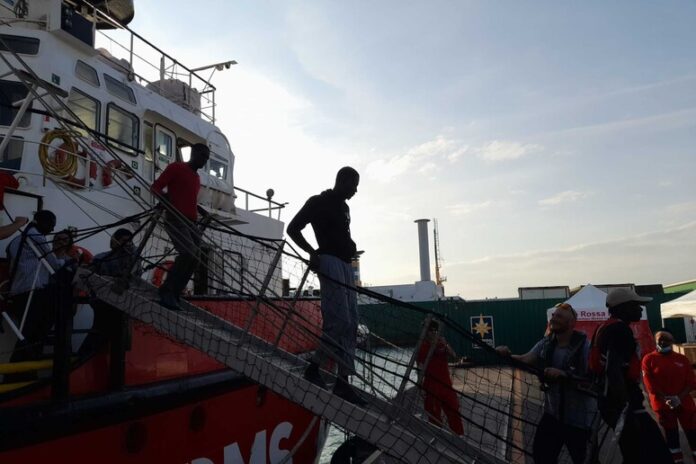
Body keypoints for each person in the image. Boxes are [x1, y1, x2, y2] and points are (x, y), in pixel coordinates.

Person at [287, 166, 363, 405]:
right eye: (353, 185)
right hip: (329, 261)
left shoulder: (345, 208)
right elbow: (293, 229)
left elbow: (341, 234)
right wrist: (312, 253)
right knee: (338, 320)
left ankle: (343, 381)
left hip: (346, 265)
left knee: (351, 323)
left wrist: (351, 245)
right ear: (342, 181)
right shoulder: (317, 202)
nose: (355, 190)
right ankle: (314, 367)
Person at [495, 303, 596, 464]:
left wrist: (565, 375)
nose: (554, 319)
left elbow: (593, 379)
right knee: (542, 456)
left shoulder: (585, 347)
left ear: (571, 323)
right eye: (553, 315)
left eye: (559, 316)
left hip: (579, 420)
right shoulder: (546, 343)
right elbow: (525, 359)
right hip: (553, 415)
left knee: (585, 460)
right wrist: (506, 355)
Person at [589, 287, 673, 464]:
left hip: (609, 402)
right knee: (656, 455)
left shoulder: (603, 328)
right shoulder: (620, 330)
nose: (640, 309)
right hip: (625, 405)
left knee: (634, 454)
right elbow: (613, 370)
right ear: (623, 307)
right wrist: (625, 407)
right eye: (636, 305)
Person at [150, 143, 209, 310]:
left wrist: (200, 210)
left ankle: (175, 293)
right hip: (175, 219)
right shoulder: (176, 167)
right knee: (188, 253)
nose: (204, 161)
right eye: (203, 156)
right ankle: (167, 291)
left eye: (206, 158)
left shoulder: (197, 178)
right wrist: (165, 200)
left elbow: (186, 197)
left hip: (191, 223)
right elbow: (155, 188)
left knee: (197, 258)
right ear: (194, 153)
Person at [5, 210, 64, 372]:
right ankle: (20, 372)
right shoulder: (36, 237)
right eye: (51, 225)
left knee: (27, 334)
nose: (52, 230)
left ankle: (21, 371)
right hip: (32, 292)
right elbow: (54, 264)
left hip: (17, 293)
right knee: (32, 335)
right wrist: (67, 260)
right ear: (43, 222)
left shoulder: (16, 240)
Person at [642, 328, 696, 464]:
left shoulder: (682, 359)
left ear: (672, 341)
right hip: (663, 406)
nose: (662, 342)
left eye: (666, 339)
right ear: (655, 340)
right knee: (671, 437)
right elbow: (650, 385)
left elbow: (691, 382)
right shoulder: (648, 359)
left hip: (685, 404)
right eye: (660, 339)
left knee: (693, 433)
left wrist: (678, 398)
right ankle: (677, 461)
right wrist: (667, 399)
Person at [416, 319, 464, 435]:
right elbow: (419, 368)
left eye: (435, 330)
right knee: (434, 415)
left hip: (446, 384)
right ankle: (437, 437)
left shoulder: (442, 343)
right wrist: (420, 386)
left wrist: (445, 344)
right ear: (425, 332)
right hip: (431, 386)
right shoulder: (422, 347)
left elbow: (454, 356)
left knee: (454, 411)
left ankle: (459, 437)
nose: (433, 332)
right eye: (430, 330)